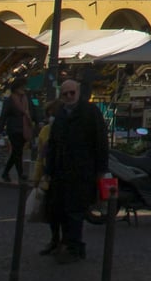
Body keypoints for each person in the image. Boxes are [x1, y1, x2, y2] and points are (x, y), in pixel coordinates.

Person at [42, 78, 108, 263]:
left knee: (75, 211)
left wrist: (101, 169)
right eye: (65, 94)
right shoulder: (61, 113)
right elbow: (53, 144)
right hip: (60, 172)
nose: (69, 96)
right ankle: (62, 242)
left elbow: (101, 141)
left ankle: (75, 247)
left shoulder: (90, 112)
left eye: (72, 93)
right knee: (58, 210)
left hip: (82, 171)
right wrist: (48, 169)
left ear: (78, 92)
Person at [0, 82, 35, 182]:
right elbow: (4, 115)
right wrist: (0, 130)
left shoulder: (26, 99)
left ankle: (5, 172)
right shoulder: (10, 100)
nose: (23, 88)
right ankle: (21, 174)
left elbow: (32, 110)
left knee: (16, 152)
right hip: (14, 129)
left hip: (24, 128)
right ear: (16, 89)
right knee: (17, 151)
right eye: (21, 87)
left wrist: (37, 120)